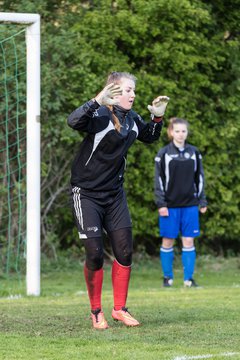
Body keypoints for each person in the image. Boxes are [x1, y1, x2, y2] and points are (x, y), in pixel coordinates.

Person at [67, 71, 169, 329]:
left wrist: (157, 116)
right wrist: (96, 101)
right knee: (95, 254)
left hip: (114, 195)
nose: (132, 94)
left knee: (124, 251)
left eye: (133, 90)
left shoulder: (133, 118)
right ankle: (96, 311)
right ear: (112, 91)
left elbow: (150, 135)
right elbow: (73, 121)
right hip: (86, 193)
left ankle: (120, 309)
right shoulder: (99, 115)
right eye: (127, 90)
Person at [154, 117, 207, 288]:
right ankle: (167, 278)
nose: (180, 134)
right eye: (177, 131)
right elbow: (159, 181)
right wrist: (161, 203)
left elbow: (199, 178)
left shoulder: (194, 152)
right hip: (169, 206)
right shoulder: (163, 154)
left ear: (187, 133)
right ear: (170, 132)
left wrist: (202, 200)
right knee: (168, 241)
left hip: (190, 205)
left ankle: (188, 280)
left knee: (189, 241)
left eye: (183, 131)